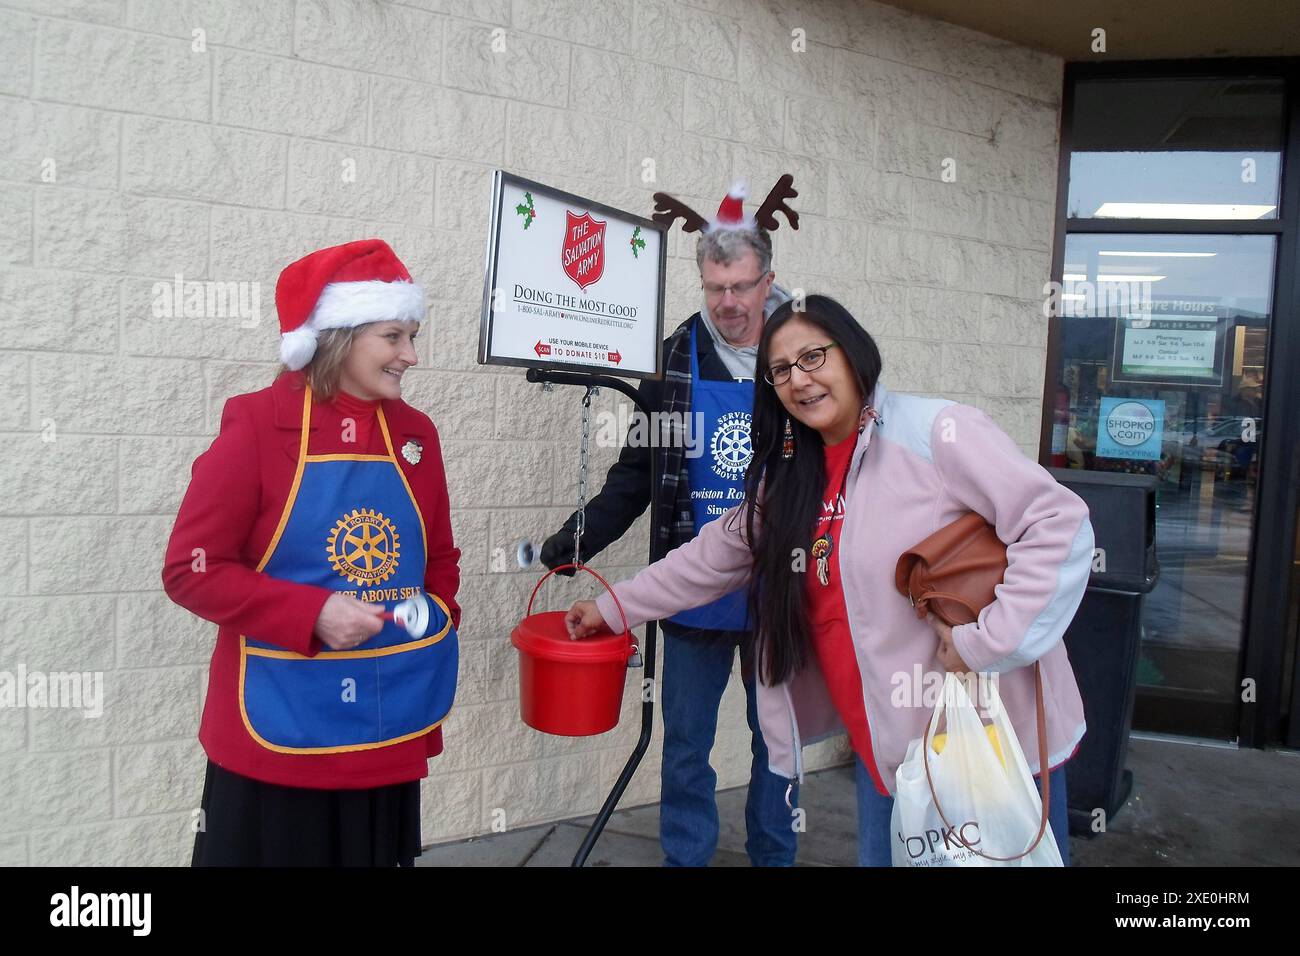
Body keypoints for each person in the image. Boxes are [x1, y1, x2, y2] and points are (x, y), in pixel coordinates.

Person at [566, 295, 1093, 866]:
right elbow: (713, 557)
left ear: (854, 352)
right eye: (782, 370)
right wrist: (613, 608)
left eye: (814, 357)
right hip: (886, 751)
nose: (799, 379)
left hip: (984, 742)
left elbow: (1056, 524)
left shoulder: (936, 433)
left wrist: (985, 642)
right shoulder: (794, 476)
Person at [163, 239, 461, 867]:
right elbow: (192, 571)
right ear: (338, 336)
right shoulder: (257, 425)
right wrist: (312, 614)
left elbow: (439, 558)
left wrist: (435, 621)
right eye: (393, 336)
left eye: (413, 334)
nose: (412, 355)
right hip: (280, 731)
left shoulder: (416, 435)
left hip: (389, 714)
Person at [540, 179, 802, 867]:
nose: (729, 303)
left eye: (743, 286)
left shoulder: (805, 359)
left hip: (780, 588)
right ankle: (687, 859)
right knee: (684, 743)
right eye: (715, 286)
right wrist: (581, 537)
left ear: (767, 280)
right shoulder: (673, 360)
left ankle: (774, 858)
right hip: (694, 586)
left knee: (777, 741)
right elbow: (635, 473)